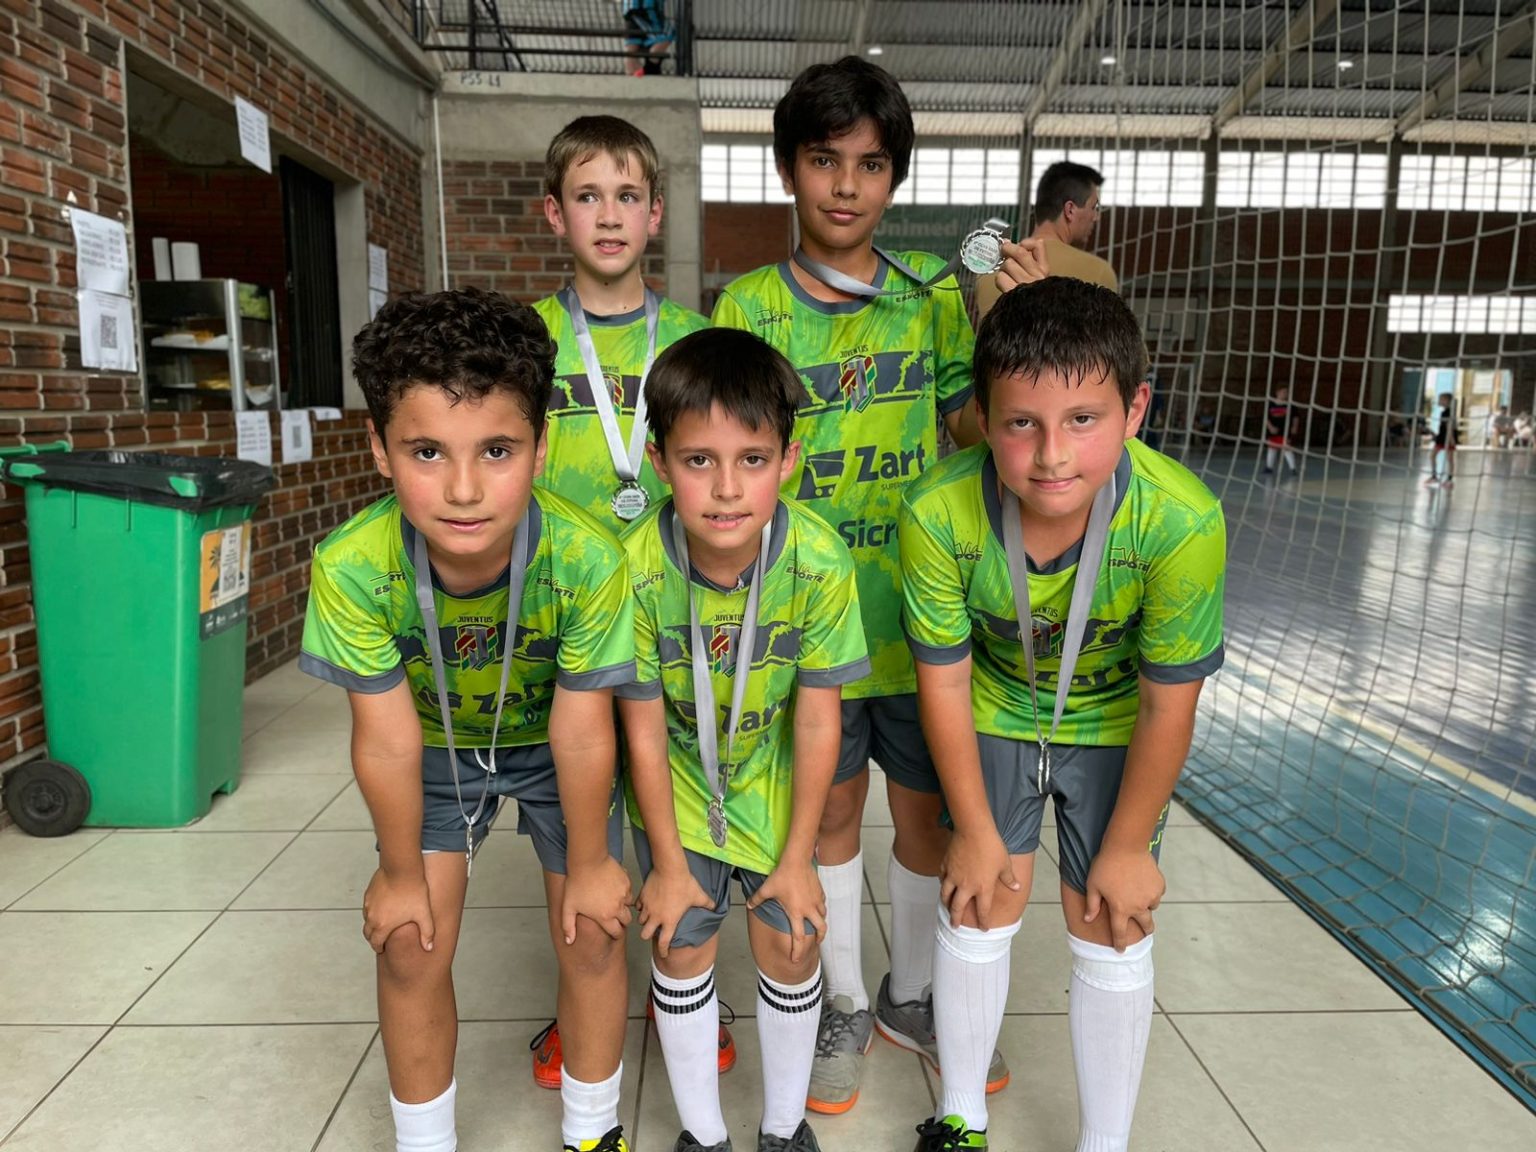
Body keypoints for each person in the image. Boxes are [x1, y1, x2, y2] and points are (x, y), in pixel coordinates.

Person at [711, 55, 1022, 1113]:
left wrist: (1002, 325)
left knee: (927, 820)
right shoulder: (748, 304)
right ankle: (842, 999)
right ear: (787, 171)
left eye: (871, 164)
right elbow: (731, 453)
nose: (846, 185)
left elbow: (972, 427)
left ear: (895, 177)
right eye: (823, 160)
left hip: (920, 610)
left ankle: (911, 994)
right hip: (806, 615)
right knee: (831, 811)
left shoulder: (931, 295)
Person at [299, 289, 636, 1152]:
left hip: (556, 744)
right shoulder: (351, 567)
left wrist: (591, 865)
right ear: (378, 449)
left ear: (541, 447)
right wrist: (398, 872)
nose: (462, 489)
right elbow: (386, 739)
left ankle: (593, 1133)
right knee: (408, 941)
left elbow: (583, 730)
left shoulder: (590, 559)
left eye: (496, 450)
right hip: (434, 747)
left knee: (594, 929)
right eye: (426, 451)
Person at [899, 278, 1226, 1151]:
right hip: (999, 706)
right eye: (1021, 423)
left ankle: (1104, 1142)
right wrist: (973, 828)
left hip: (1115, 719)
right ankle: (960, 1117)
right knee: (978, 898)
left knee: (1112, 916)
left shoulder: (1183, 521)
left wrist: (1128, 846)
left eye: (1083, 419)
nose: (1051, 454)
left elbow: (1166, 702)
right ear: (982, 417)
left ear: (1136, 410)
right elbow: (944, 685)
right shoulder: (935, 511)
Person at [620, 328, 870, 1152]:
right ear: (659, 462)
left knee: (793, 941)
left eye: (752, 460)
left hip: (772, 779)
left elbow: (820, 717)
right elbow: (642, 729)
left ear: (788, 461)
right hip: (678, 785)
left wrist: (800, 857)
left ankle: (784, 1129)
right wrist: (665, 863)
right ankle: (703, 1135)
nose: (727, 488)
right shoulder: (632, 569)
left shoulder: (820, 562)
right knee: (677, 944)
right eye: (699, 460)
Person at [531, 114, 725, 1088]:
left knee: (675, 811)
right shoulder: (527, 340)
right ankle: (585, 1005)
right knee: (577, 829)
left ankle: (686, 987)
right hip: (564, 624)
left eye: (627, 196)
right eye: (587, 196)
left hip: (670, 616)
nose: (608, 216)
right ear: (554, 213)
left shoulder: (696, 341)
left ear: (655, 214)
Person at [975, 160, 1117, 321]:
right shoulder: (1099, 272)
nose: (1096, 217)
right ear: (1070, 210)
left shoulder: (988, 272)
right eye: (1093, 208)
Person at [620, 0, 673, 76]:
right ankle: (650, 67)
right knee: (665, 36)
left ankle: (650, 67)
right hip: (646, 10)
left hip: (634, 10)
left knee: (631, 54)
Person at [1263, 386, 1298, 476]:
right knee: (1272, 448)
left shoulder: (1291, 405)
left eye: (1287, 392)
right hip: (1273, 431)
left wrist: (1294, 427)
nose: (1285, 394)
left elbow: (1295, 417)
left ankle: (1293, 468)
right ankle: (1269, 467)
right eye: (1284, 392)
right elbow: (1266, 418)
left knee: (1287, 448)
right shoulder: (1270, 404)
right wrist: (1270, 427)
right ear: (1277, 392)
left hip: (1285, 430)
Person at [1427, 391, 1457, 487]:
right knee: (1432, 456)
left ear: (1446, 400)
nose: (1439, 401)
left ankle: (1449, 480)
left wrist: (1451, 439)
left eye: (1441, 399)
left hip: (1447, 437)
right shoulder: (1443, 412)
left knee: (1450, 459)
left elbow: (1449, 426)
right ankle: (1434, 476)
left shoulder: (1448, 412)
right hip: (1441, 437)